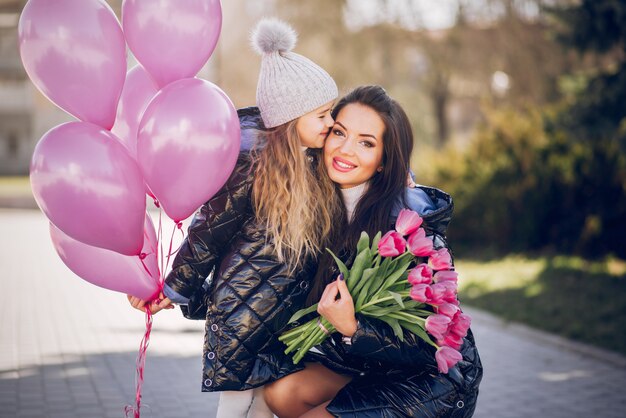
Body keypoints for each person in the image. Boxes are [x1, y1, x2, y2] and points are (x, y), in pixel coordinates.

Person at [127, 18, 342, 418]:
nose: (332, 124)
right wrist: (174, 288)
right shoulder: (251, 164)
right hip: (242, 308)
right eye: (323, 115)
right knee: (237, 403)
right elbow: (209, 231)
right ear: (291, 120)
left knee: (263, 402)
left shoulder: (312, 164)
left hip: (280, 310)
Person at [263, 85, 483, 418]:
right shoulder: (322, 204)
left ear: (384, 160)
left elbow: (429, 349)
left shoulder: (409, 228)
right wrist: (187, 292)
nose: (345, 150)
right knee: (282, 394)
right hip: (373, 361)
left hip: (431, 380)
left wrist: (353, 327)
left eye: (366, 143)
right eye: (339, 133)